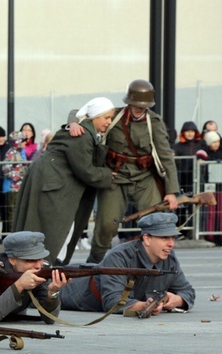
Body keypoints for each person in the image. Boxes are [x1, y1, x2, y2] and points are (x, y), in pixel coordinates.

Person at [69, 80, 180, 263]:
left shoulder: (154, 122)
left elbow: (166, 157)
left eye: (143, 105)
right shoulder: (114, 116)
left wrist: (171, 191)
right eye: (135, 104)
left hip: (144, 178)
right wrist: (73, 124)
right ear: (129, 101)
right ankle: (94, 263)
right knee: (106, 225)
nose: (139, 108)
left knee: (156, 223)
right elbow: (78, 112)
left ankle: (158, 265)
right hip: (115, 178)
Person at [13, 97, 116, 264]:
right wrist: (107, 175)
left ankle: (50, 265)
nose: (109, 122)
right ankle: (48, 266)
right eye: (106, 118)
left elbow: (76, 112)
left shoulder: (85, 130)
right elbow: (86, 171)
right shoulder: (82, 136)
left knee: (60, 229)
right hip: (53, 185)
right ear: (95, 117)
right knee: (58, 230)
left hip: (52, 181)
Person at [60, 213, 195, 315]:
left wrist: (175, 300)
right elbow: (112, 301)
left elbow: (188, 291)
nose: (171, 243)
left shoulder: (169, 259)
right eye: (164, 238)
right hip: (74, 290)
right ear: (147, 239)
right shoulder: (121, 256)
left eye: (172, 237)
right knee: (41, 290)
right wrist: (144, 306)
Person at [201, 131, 222, 245]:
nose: (216, 144)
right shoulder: (205, 152)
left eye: (218, 141)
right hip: (209, 187)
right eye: (213, 142)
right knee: (211, 213)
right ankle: (210, 235)